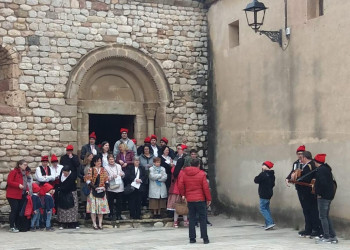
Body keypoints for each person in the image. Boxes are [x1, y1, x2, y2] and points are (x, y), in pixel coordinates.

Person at [179, 158, 212, 244]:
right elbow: (205, 188)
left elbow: (181, 185)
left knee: (192, 219)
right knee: (202, 218)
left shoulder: (184, 173)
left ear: (190, 164)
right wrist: (208, 198)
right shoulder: (201, 174)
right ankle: (205, 238)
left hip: (190, 199)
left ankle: (192, 238)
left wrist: (183, 194)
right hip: (200, 199)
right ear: (198, 165)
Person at [295, 151, 322, 238]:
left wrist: (296, 177)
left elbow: (306, 179)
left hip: (307, 192)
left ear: (305, 158)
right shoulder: (307, 165)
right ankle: (308, 228)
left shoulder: (310, 166)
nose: (300, 159)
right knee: (307, 211)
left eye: (301, 158)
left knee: (312, 211)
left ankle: (315, 229)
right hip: (304, 192)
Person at [313, 154, 338, 244]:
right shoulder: (327, 169)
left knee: (323, 216)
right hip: (328, 196)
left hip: (323, 197)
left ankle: (327, 236)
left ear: (316, 162)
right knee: (326, 216)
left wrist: (319, 193)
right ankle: (333, 236)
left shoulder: (320, 170)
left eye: (314, 161)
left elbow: (323, 184)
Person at [85, 156, 110, 230]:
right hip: (93, 191)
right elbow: (88, 180)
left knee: (101, 209)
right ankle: (94, 223)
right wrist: (94, 187)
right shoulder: (91, 170)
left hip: (101, 191)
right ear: (94, 162)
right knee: (93, 209)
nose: (99, 162)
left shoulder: (103, 170)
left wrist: (105, 187)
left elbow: (106, 179)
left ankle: (100, 223)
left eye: (100, 161)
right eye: (98, 161)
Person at [6, 160, 30, 233]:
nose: (26, 166)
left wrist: (27, 189)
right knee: (14, 210)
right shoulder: (14, 172)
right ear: (19, 165)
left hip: (20, 194)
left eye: (26, 165)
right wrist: (18, 185)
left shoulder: (24, 174)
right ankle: (11, 226)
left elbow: (26, 183)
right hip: (12, 195)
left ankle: (17, 225)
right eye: (24, 165)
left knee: (18, 210)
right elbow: (9, 182)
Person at [254, 161, 276, 230]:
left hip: (263, 193)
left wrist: (260, 174)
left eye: (263, 165)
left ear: (266, 166)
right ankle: (269, 223)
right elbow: (273, 184)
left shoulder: (263, 174)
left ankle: (270, 223)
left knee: (262, 208)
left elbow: (256, 180)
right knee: (266, 208)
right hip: (269, 193)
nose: (262, 167)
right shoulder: (272, 175)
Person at [167, 158, 188, 228]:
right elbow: (181, 184)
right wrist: (183, 194)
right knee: (182, 206)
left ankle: (175, 222)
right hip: (179, 191)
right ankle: (185, 221)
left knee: (176, 208)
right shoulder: (182, 172)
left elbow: (172, 167)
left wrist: (172, 164)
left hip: (173, 190)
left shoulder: (173, 169)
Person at [57, 165, 79, 230]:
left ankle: (73, 223)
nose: (64, 174)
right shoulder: (61, 175)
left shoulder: (72, 176)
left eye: (66, 173)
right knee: (62, 209)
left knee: (72, 209)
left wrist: (60, 189)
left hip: (71, 193)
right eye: (63, 172)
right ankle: (63, 223)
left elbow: (69, 186)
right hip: (63, 194)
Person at [104, 154, 125, 221]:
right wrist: (112, 176)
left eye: (112, 159)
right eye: (110, 159)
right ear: (108, 160)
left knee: (119, 202)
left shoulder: (118, 166)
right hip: (111, 187)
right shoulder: (105, 167)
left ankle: (119, 215)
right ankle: (111, 214)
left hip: (119, 186)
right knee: (111, 202)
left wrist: (122, 174)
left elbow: (122, 173)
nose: (111, 160)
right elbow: (105, 178)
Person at [78, 152, 93, 217]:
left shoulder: (93, 165)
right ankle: (87, 213)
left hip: (91, 183)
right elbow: (79, 173)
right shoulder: (82, 165)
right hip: (84, 183)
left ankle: (91, 212)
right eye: (90, 156)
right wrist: (83, 177)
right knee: (85, 198)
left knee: (91, 198)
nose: (91, 158)